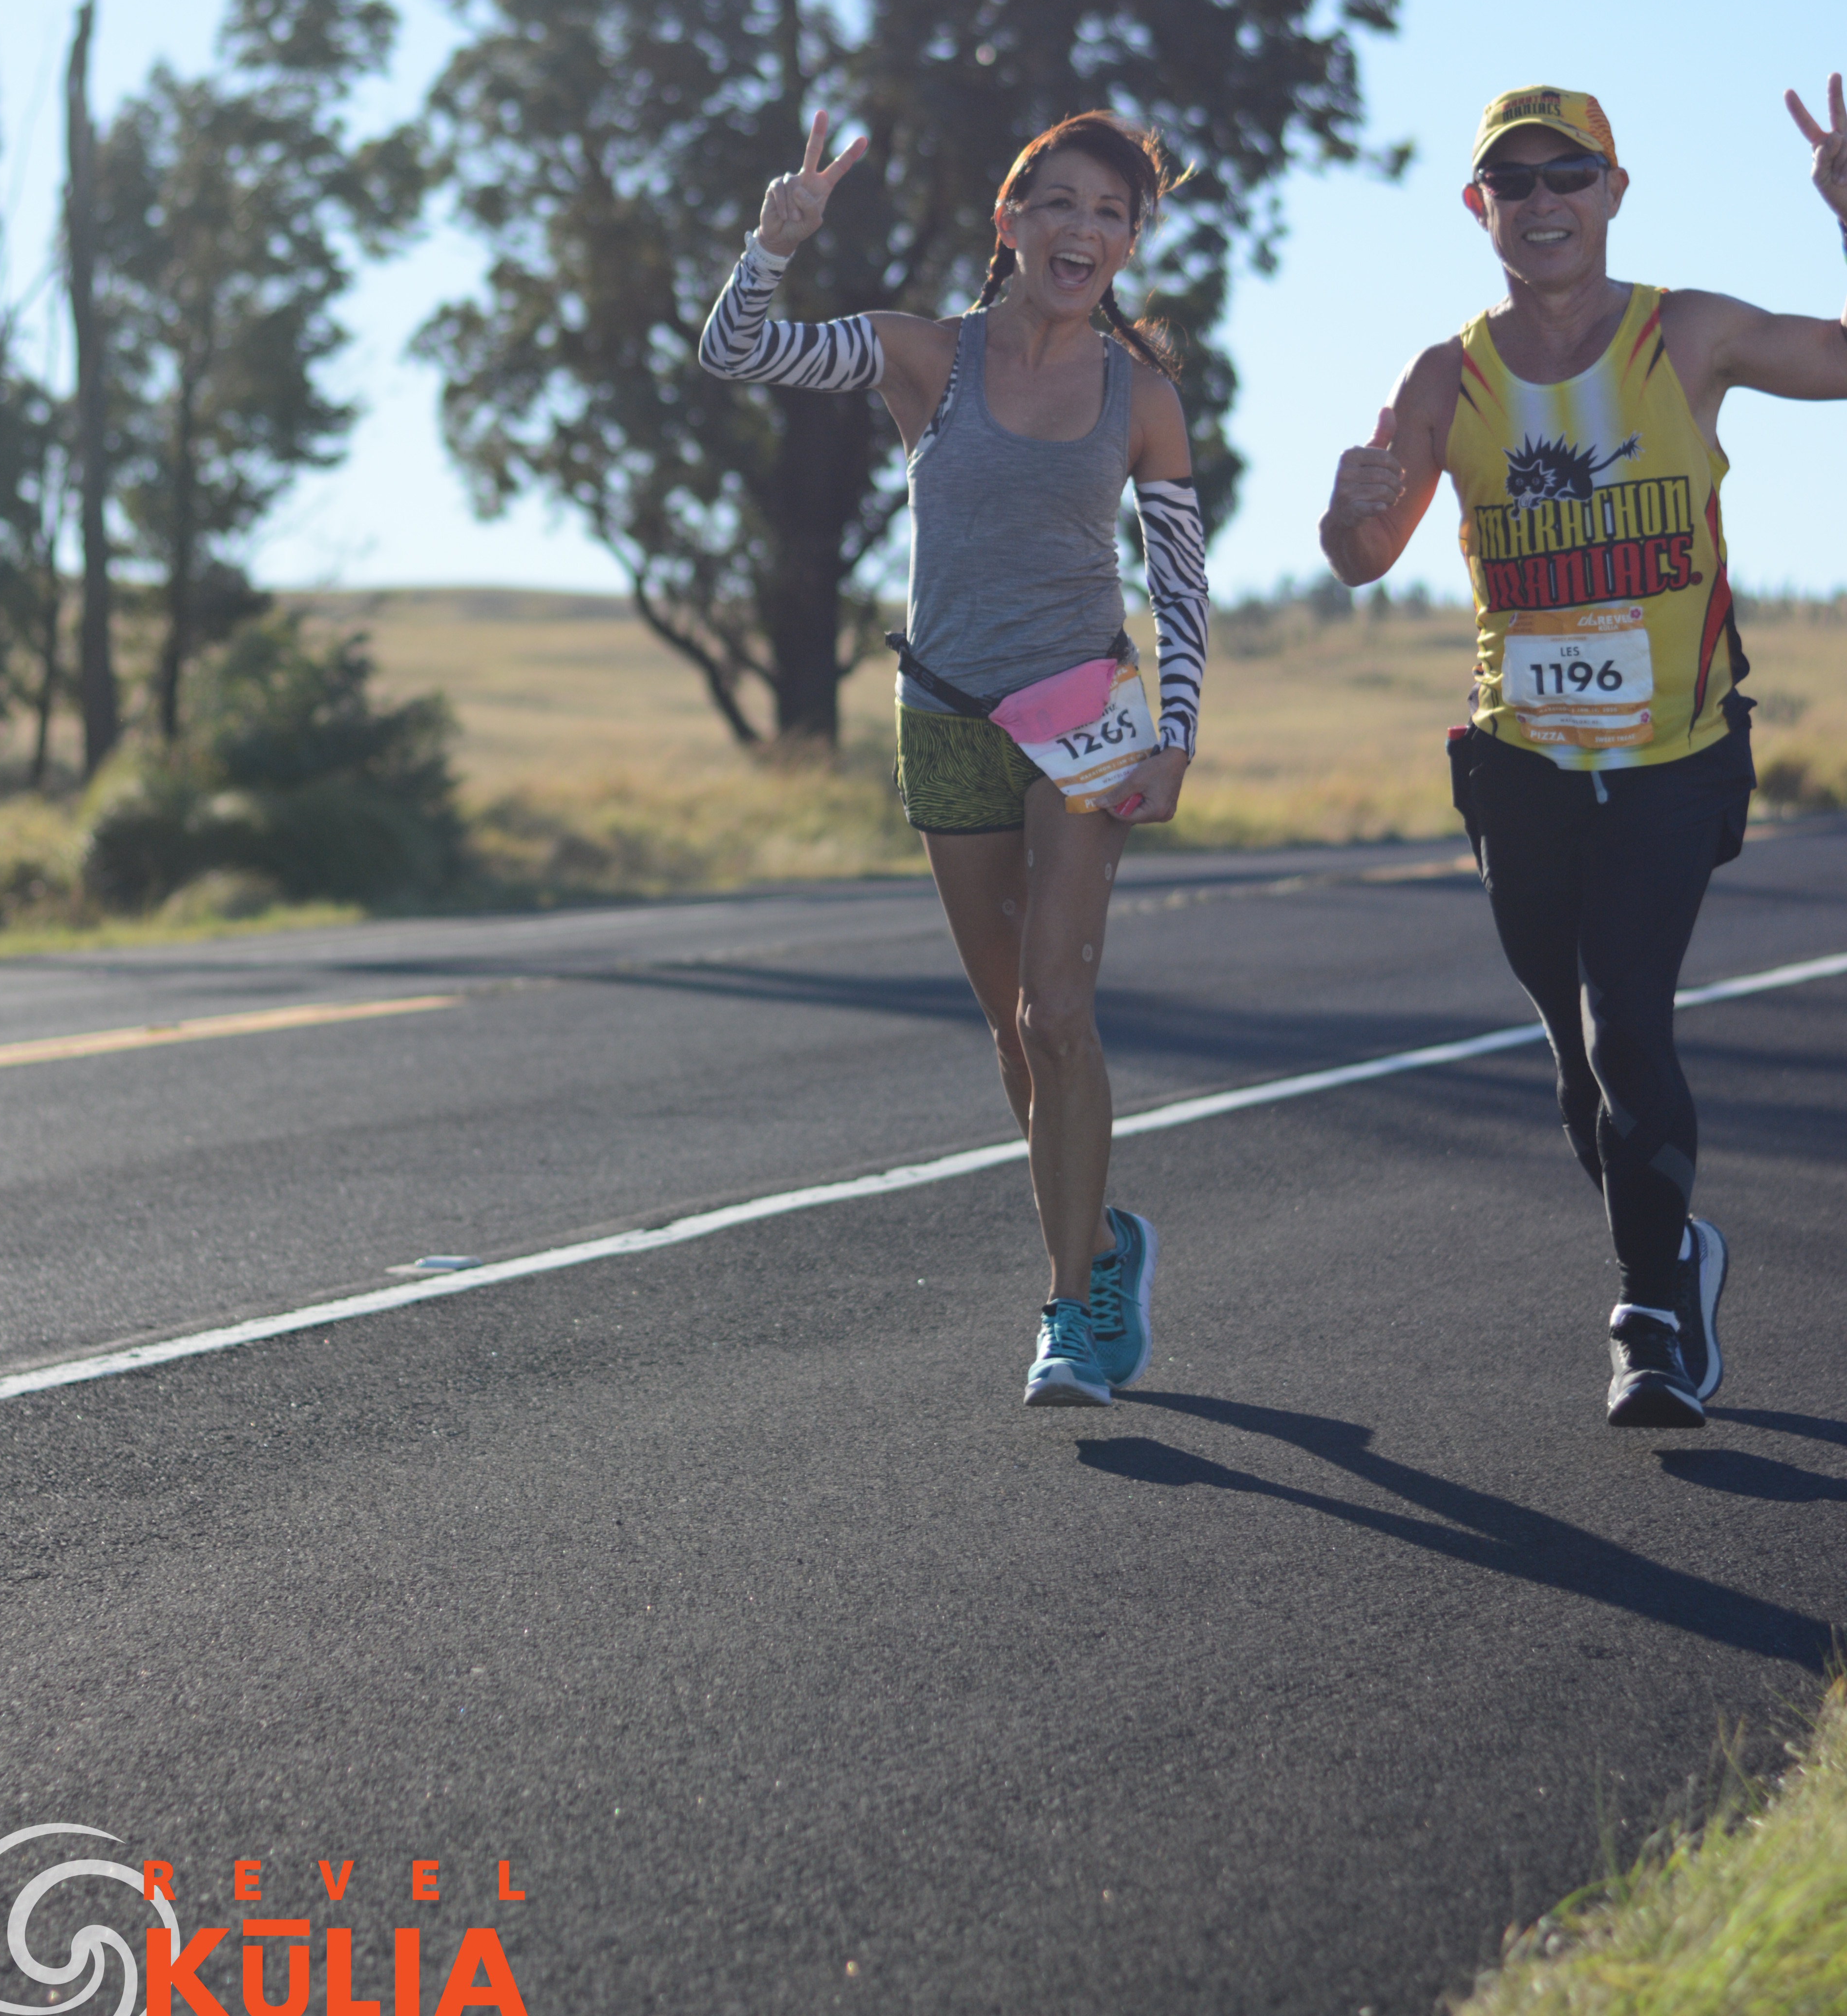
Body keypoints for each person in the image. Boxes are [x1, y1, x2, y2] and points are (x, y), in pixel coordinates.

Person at [1319, 74, 1847, 1428]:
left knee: (1628, 1022)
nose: (1543, 202)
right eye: (1517, 181)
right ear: (1478, 205)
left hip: (1676, 752)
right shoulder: (1448, 377)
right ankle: (1674, 1251)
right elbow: (1366, 555)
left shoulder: (1690, 335)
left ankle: (1647, 1320)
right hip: (1522, 765)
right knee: (1575, 1057)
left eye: (1570, 176)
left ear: (1616, 192)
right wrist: (1344, 512)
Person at [701, 109, 1210, 1407]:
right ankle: (1106, 1241)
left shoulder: (1142, 398)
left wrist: (1178, 738)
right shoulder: (924, 355)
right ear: (1011, 222)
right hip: (944, 716)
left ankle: (1068, 1312)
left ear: (1128, 245)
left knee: (1058, 1013)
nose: (1084, 230)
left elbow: (1179, 582)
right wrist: (773, 245)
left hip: (1083, 721)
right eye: (1061, 204)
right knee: (1011, 1034)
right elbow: (736, 350)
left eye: (1112, 214)